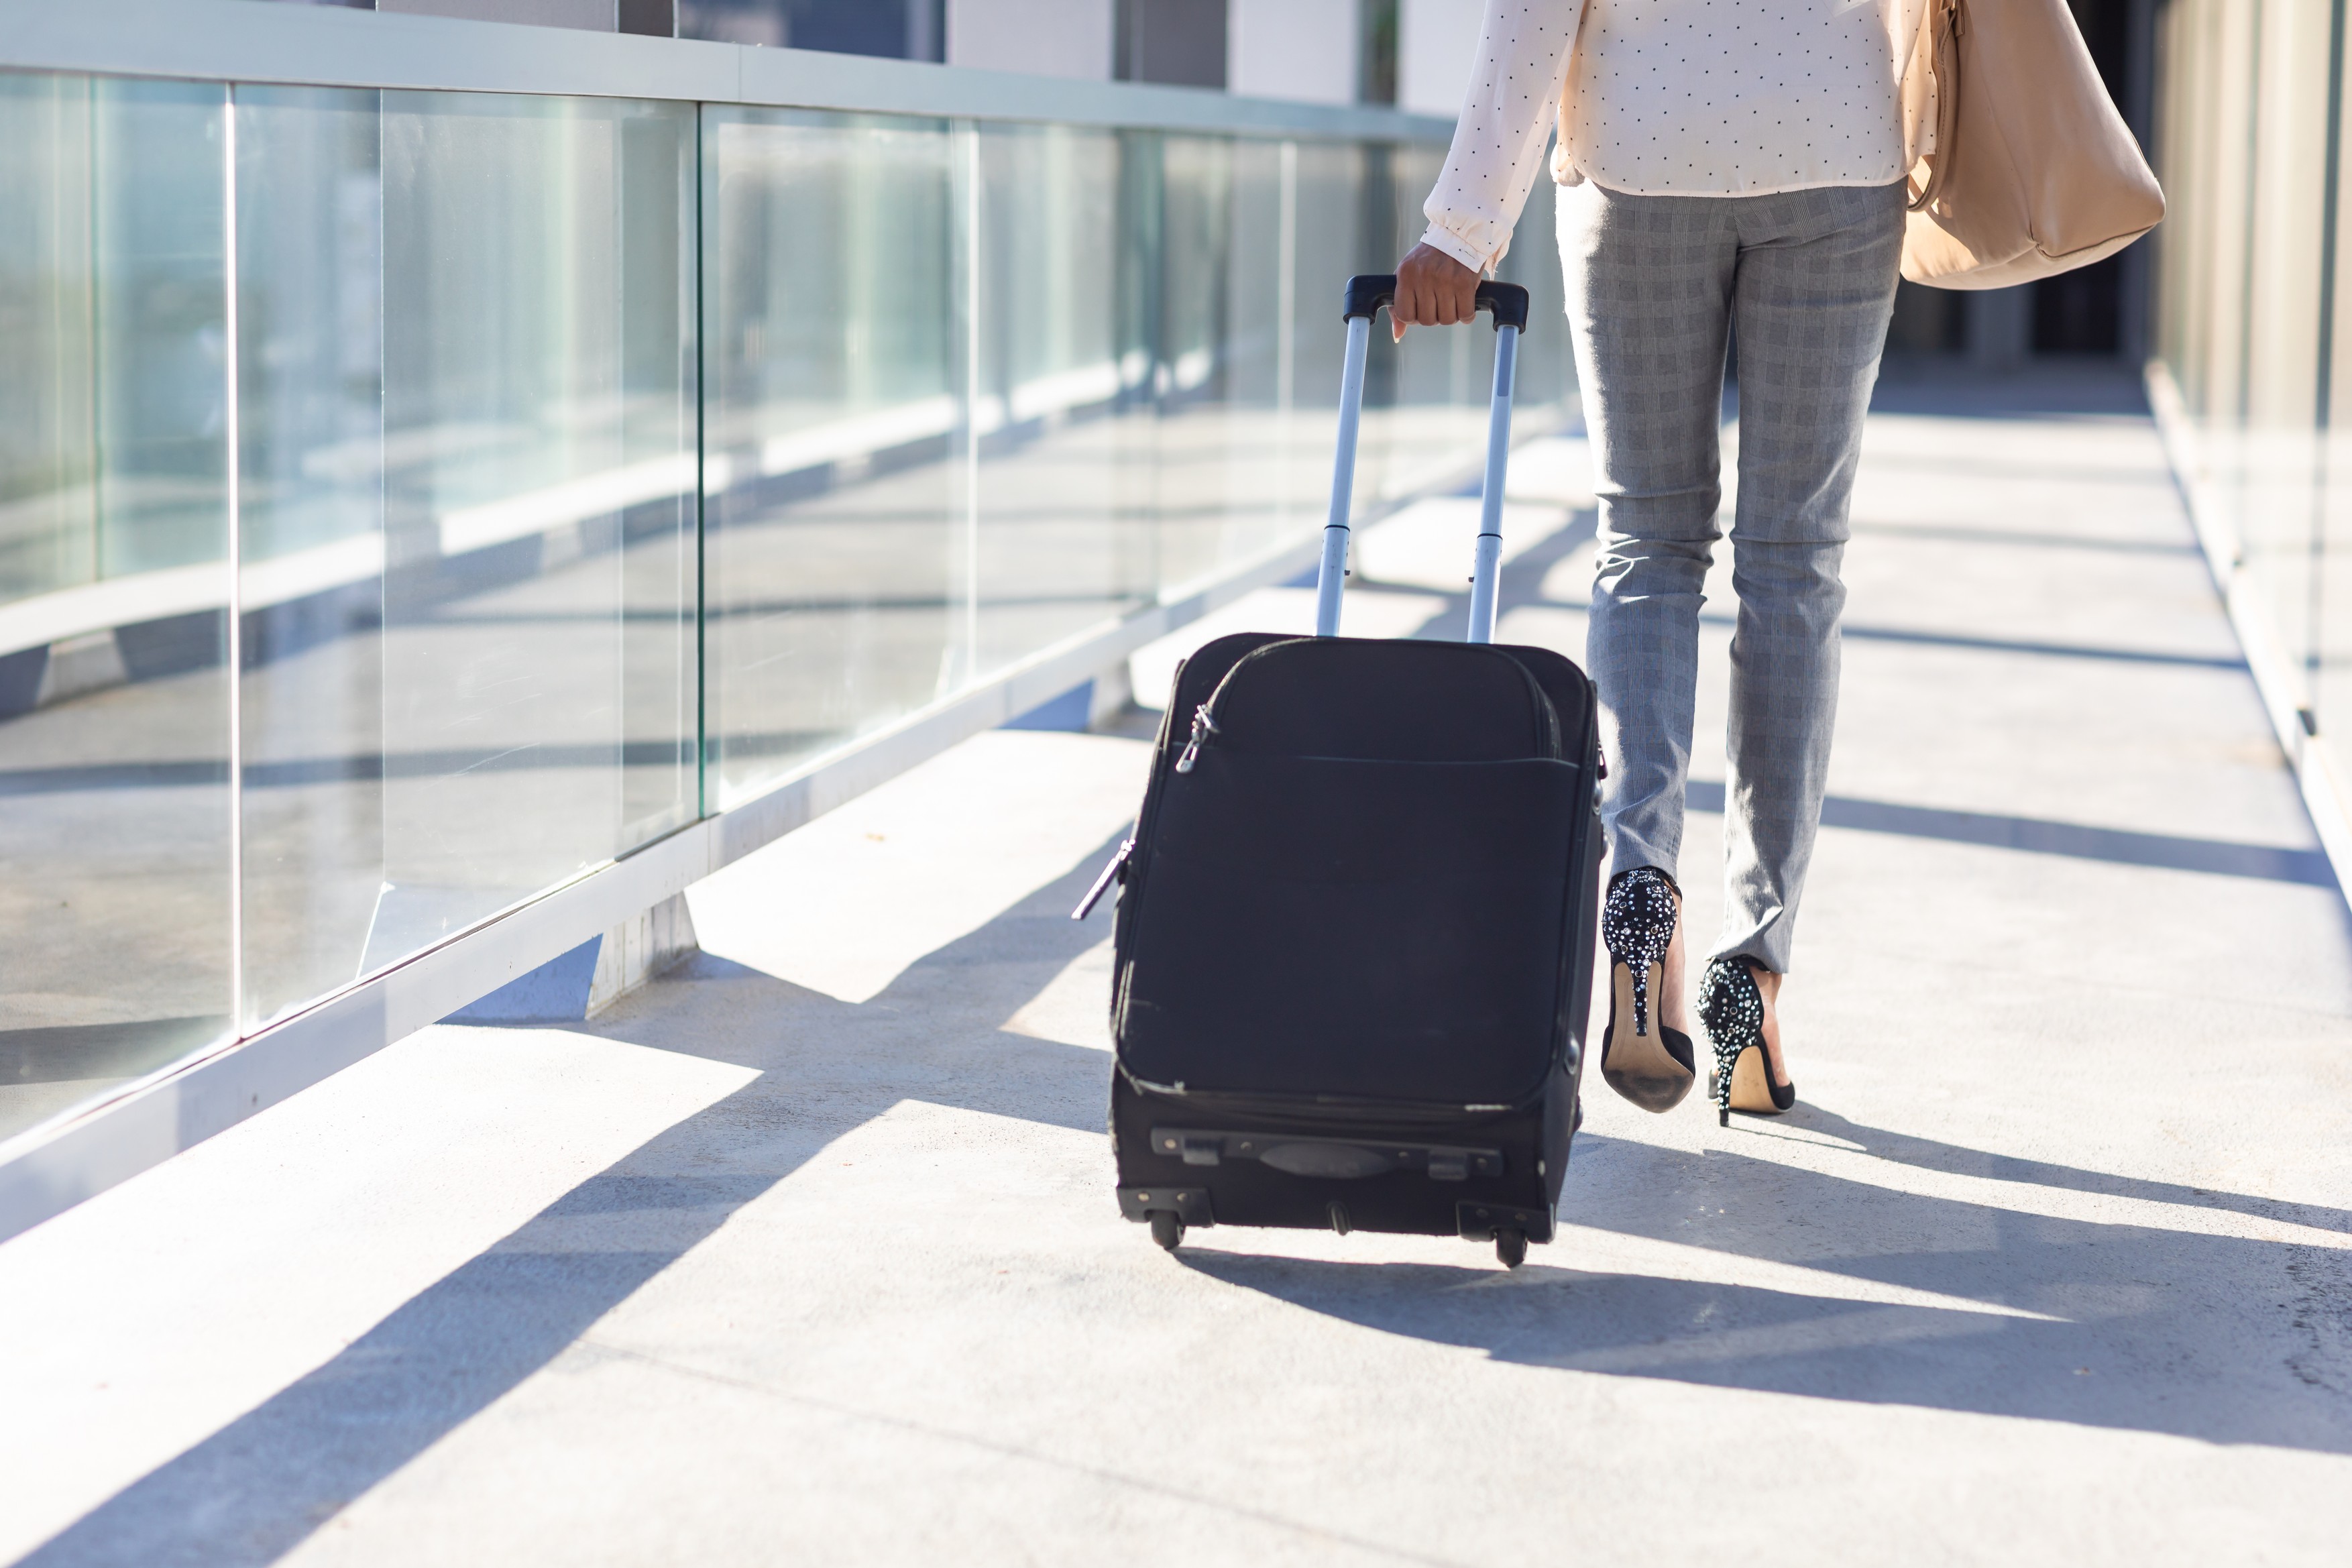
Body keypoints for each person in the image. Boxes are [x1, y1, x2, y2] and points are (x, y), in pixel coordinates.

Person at [1390, 0, 1934, 1123]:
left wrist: (1465, 224)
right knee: (1795, 565)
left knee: (1648, 541)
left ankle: (1644, 891)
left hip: (1645, 152)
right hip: (1833, 145)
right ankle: (1753, 969)